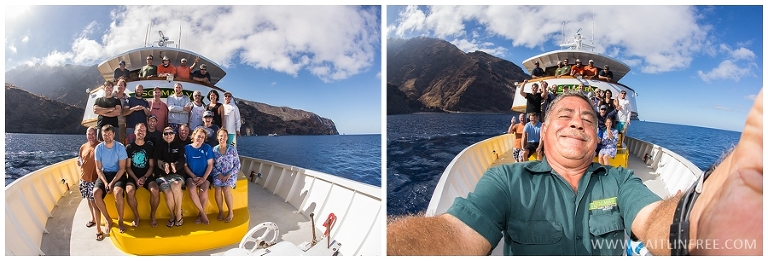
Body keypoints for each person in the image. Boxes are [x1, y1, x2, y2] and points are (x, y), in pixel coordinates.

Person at [387, 90, 764, 255]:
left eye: (587, 119)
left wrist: (697, 219)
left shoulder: (619, 180)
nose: (577, 123)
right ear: (544, 132)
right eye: (564, 116)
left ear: (598, 135)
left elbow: (651, 220)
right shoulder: (506, 181)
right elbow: (456, 233)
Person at [92, 124, 129, 237]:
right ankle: (108, 219)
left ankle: (120, 220)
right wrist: (105, 183)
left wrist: (112, 183)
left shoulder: (120, 147)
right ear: (102, 136)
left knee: (117, 192)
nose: (107, 136)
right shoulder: (99, 148)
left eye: (109, 134)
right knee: (96, 193)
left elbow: (122, 168)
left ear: (113, 134)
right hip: (104, 174)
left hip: (118, 174)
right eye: (105, 135)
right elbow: (98, 168)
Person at [124, 123, 155, 228]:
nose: (141, 132)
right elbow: (127, 167)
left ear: (146, 133)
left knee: (155, 191)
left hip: (146, 176)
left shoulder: (150, 147)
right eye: (139, 130)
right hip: (133, 176)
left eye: (143, 130)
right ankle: (136, 216)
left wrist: (144, 177)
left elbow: (151, 166)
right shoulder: (129, 147)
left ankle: (153, 215)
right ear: (134, 132)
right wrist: (136, 179)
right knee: (129, 191)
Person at [154, 126, 185, 228]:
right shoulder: (158, 146)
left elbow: (181, 160)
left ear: (174, 135)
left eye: (170, 133)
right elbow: (156, 160)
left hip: (177, 174)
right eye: (166, 133)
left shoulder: (179, 146)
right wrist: (164, 165)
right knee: (168, 193)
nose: (168, 135)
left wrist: (174, 165)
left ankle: (178, 214)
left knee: (175, 185)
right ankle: (172, 215)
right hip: (162, 175)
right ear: (163, 135)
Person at [184, 128, 215, 225]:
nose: (200, 139)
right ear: (193, 136)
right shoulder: (187, 148)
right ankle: (203, 213)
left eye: (202, 137)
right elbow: (185, 166)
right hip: (191, 175)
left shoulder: (207, 148)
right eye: (198, 136)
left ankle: (200, 215)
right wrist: (193, 176)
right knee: (192, 188)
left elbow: (210, 165)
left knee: (203, 191)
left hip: (205, 175)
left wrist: (204, 178)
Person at [212, 128, 240, 223]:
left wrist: (229, 174)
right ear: (217, 137)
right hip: (218, 174)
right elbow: (211, 166)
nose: (222, 137)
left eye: (224, 136)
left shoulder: (232, 149)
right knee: (218, 189)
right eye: (220, 135)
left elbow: (237, 165)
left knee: (226, 189)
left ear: (227, 137)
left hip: (230, 174)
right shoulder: (214, 150)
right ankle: (220, 211)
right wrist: (218, 174)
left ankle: (230, 212)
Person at [78, 127, 101, 237]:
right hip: (84, 179)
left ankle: (98, 228)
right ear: (86, 135)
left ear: (96, 134)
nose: (91, 136)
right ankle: (93, 219)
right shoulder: (83, 146)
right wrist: (79, 162)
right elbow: (80, 158)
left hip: (94, 179)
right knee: (88, 199)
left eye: (93, 134)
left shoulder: (100, 145)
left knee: (94, 202)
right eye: (89, 134)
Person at [114, 79, 131, 144]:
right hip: (110, 122)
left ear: (125, 87)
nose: (120, 87)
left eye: (121, 85)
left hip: (121, 124)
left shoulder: (127, 99)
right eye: (118, 85)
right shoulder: (111, 96)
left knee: (120, 143)